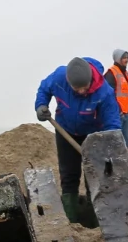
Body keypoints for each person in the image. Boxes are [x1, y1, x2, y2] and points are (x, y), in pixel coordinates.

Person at [35, 57, 122, 223]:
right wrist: (40, 106)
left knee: (94, 175)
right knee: (69, 174)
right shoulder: (59, 77)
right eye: (77, 88)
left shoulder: (104, 92)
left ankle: (94, 220)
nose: (82, 91)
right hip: (65, 131)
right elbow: (44, 89)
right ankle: (71, 219)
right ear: (68, 81)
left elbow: (112, 124)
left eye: (85, 87)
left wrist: (110, 149)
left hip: (93, 135)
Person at [104, 49, 128, 147]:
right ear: (118, 59)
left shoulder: (126, 74)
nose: (126, 60)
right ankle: (113, 162)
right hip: (117, 114)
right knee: (115, 142)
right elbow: (109, 94)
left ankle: (124, 161)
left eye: (127, 57)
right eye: (124, 58)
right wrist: (118, 109)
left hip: (126, 113)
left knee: (126, 142)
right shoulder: (111, 73)